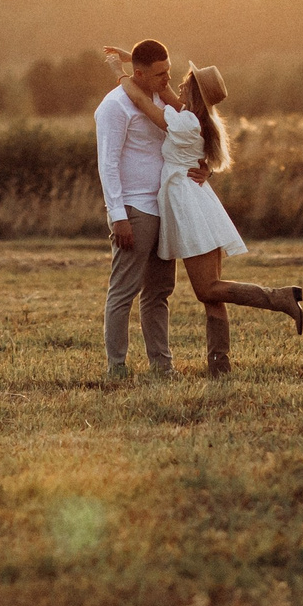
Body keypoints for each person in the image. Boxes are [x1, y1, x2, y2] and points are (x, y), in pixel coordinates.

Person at [108, 53, 303, 376]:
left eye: (185, 82)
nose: (178, 84)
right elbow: (166, 93)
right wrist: (138, 63)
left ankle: (280, 298)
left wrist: (119, 72)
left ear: (193, 93)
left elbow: (143, 102)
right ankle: (219, 364)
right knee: (212, 290)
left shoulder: (185, 122)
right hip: (199, 201)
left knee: (208, 288)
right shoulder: (194, 116)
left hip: (188, 206)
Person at [95, 39, 181, 377]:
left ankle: (162, 367)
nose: (166, 79)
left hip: (164, 206)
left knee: (159, 292)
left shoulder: (161, 100)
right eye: (160, 74)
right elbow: (108, 163)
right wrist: (118, 216)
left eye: (169, 72)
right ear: (139, 74)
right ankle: (116, 367)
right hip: (134, 208)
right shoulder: (115, 106)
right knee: (124, 291)